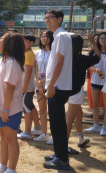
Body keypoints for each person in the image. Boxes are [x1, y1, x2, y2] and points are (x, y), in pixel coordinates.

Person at [0, 32, 25, 173]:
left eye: (1, 40)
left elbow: (10, 87)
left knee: (11, 138)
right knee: (3, 136)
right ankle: (2, 165)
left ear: (9, 44)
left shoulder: (13, 63)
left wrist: (6, 109)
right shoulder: (2, 60)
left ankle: (12, 169)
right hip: (0, 107)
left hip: (10, 108)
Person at [42, 9, 73, 170]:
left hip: (58, 87)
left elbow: (59, 63)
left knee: (57, 124)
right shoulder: (59, 36)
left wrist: (51, 85)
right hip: (58, 85)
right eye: (46, 17)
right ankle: (59, 154)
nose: (47, 20)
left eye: (50, 17)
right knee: (56, 123)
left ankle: (62, 159)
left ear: (59, 19)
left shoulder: (61, 36)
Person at [65, 34, 101, 154]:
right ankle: (64, 146)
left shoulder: (64, 58)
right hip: (75, 91)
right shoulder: (82, 59)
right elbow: (98, 56)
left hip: (64, 90)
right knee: (69, 118)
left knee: (78, 113)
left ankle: (81, 139)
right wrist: (93, 42)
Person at [85, 32, 106, 136]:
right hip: (95, 81)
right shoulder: (94, 52)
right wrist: (94, 69)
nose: (103, 40)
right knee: (95, 104)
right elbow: (86, 64)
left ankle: (104, 127)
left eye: (105, 38)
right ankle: (96, 126)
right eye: (101, 38)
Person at [18, 34, 42, 139]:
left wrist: (24, 86)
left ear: (31, 43)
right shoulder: (26, 53)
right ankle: (37, 127)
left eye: (24, 41)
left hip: (27, 85)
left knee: (26, 107)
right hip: (27, 85)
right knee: (30, 106)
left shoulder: (28, 54)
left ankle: (27, 132)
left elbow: (28, 72)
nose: (22, 43)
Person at [34, 30, 53, 143]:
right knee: (42, 109)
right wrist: (38, 82)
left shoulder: (54, 53)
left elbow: (53, 71)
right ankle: (44, 134)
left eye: (46, 36)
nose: (44, 38)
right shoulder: (38, 53)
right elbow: (36, 69)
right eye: (42, 36)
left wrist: (43, 82)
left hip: (51, 85)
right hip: (39, 85)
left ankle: (54, 135)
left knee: (52, 111)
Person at [86, 34, 103, 115]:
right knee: (92, 95)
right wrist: (94, 69)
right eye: (94, 39)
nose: (95, 40)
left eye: (97, 39)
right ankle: (94, 112)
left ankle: (104, 112)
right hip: (93, 75)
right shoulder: (92, 51)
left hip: (104, 76)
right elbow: (87, 64)